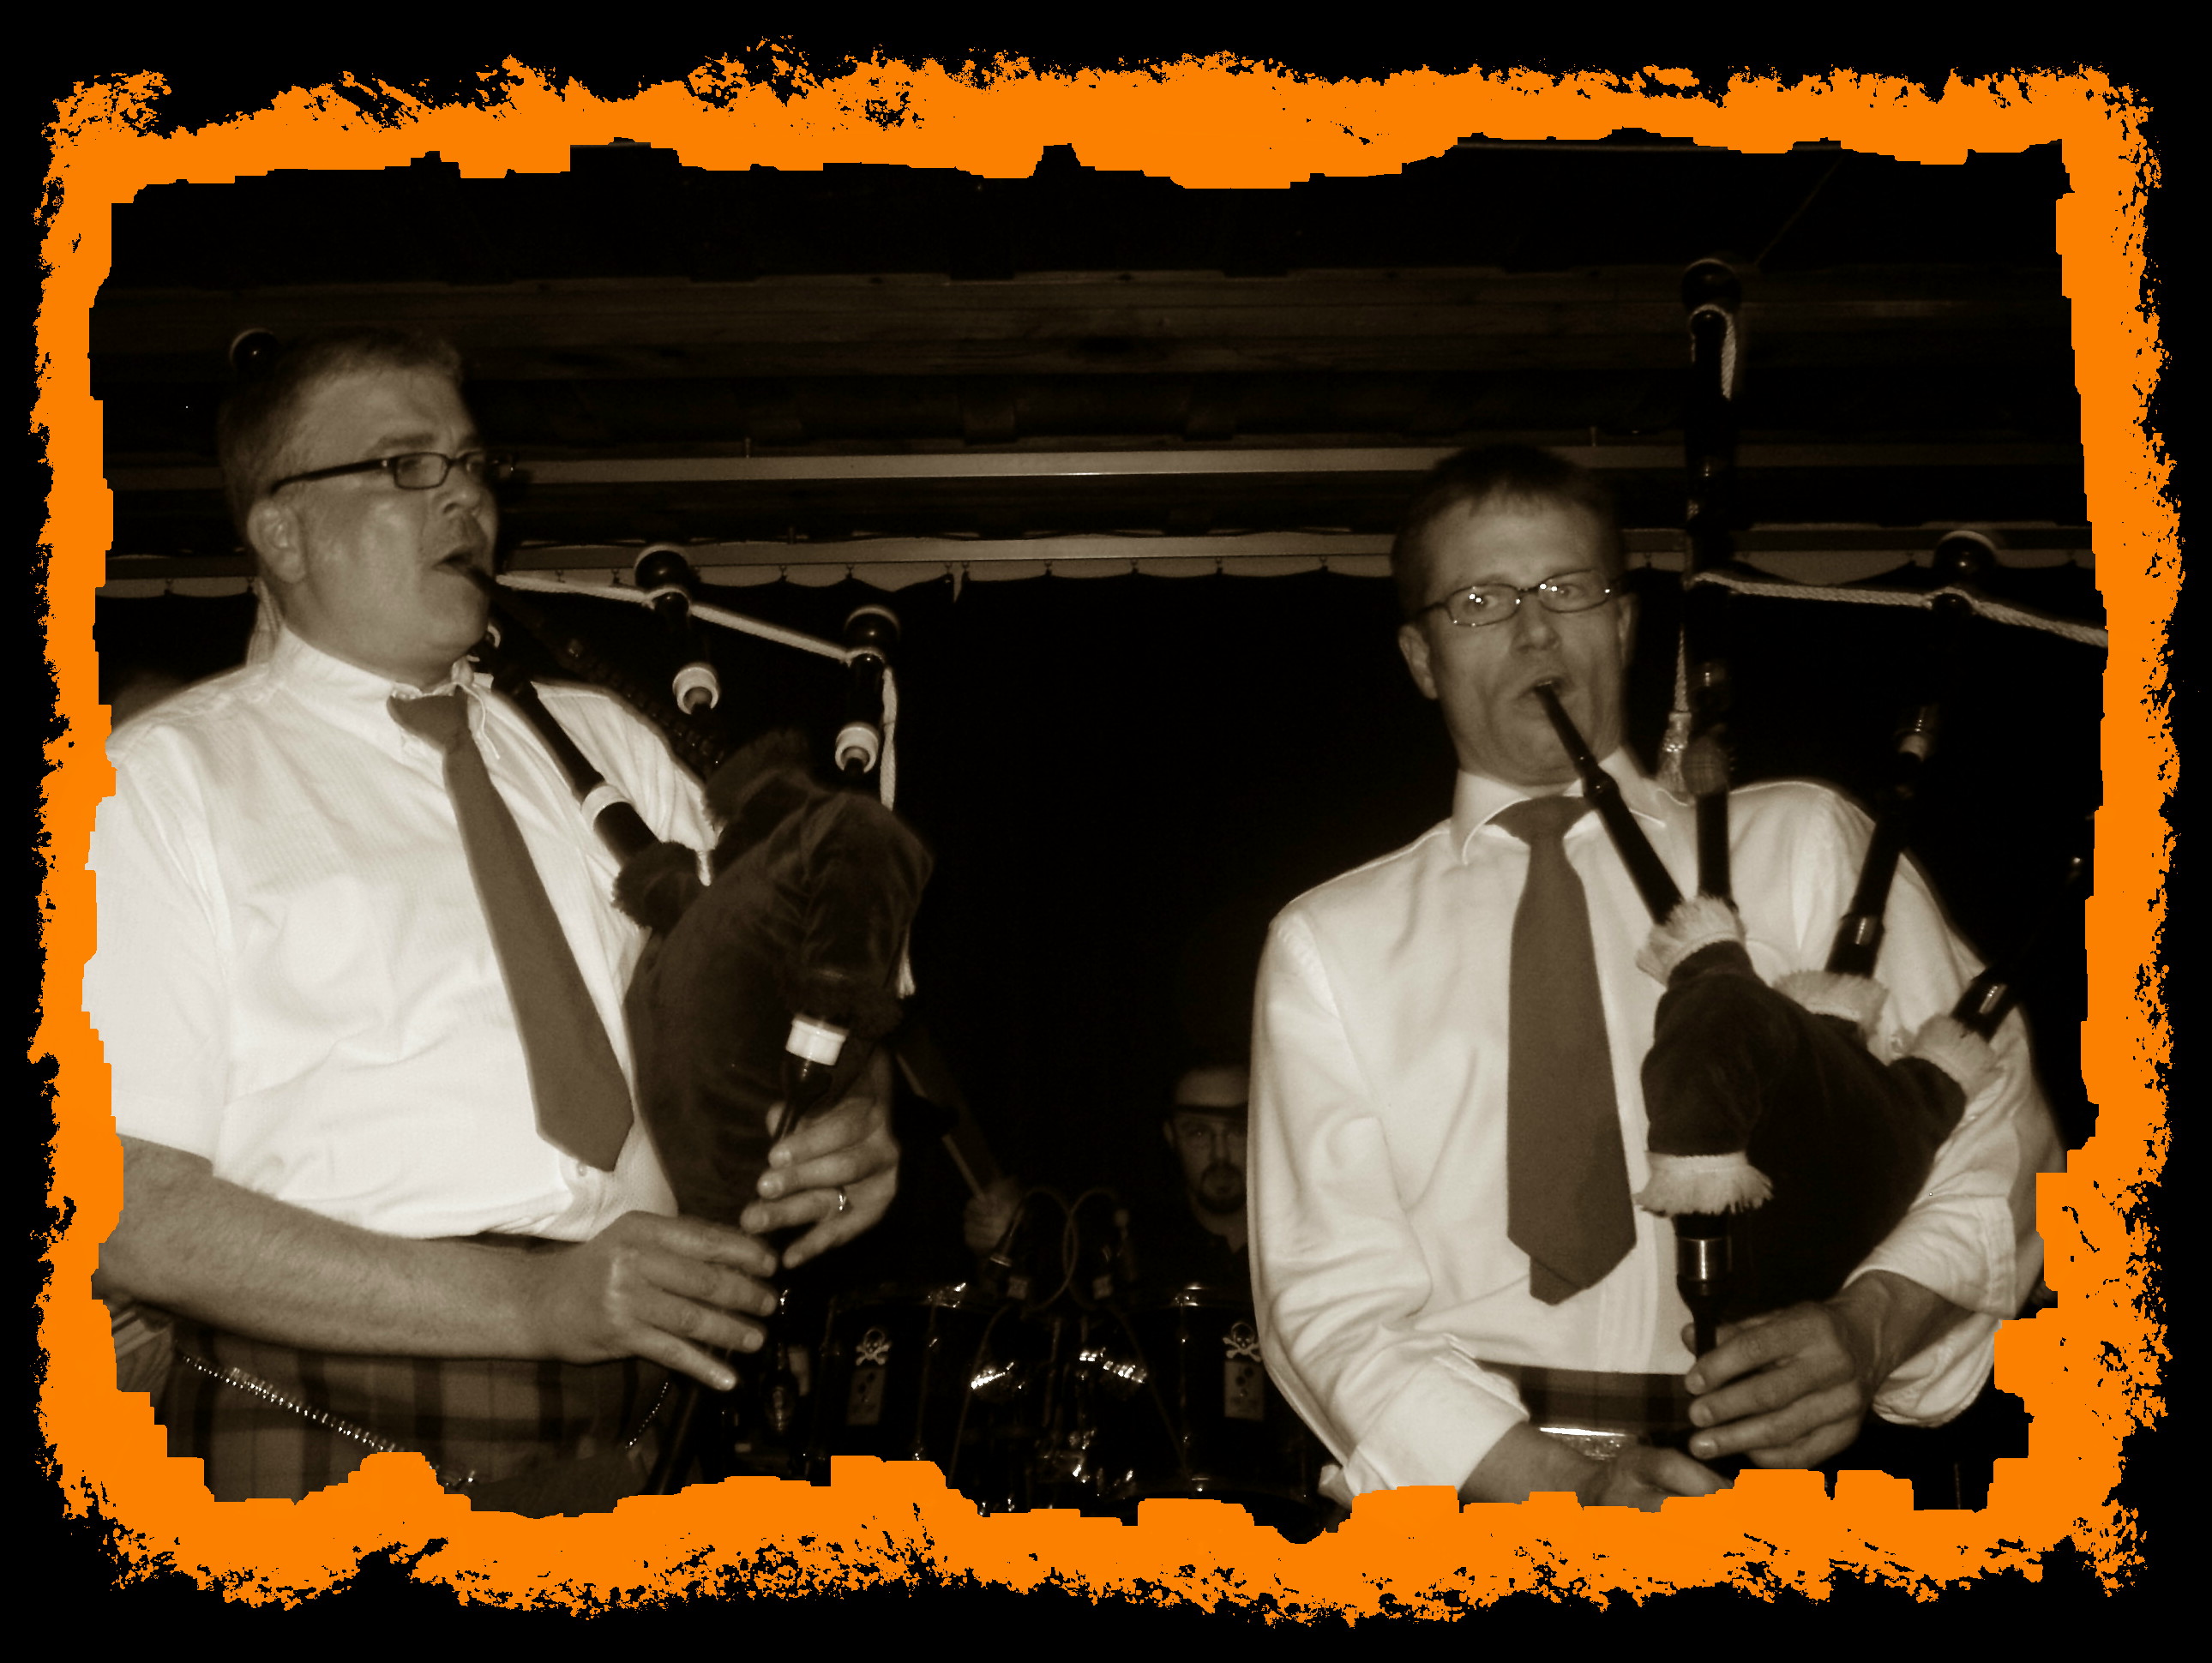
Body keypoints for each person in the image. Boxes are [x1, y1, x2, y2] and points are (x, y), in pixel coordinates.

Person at [85, 328, 900, 1509]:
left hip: (636, 1416)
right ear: (282, 531)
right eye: (404, 464)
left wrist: (850, 1117)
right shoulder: (161, 784)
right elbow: (128, 1212)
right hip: (322, 1427)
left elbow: (790, 999)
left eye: (472, 463)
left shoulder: (607, 746)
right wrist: (533, 1304)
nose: (463, 494)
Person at [1247, 445, 2061, 1514]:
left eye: (1569, 589)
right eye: (1480, 601)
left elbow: (2002, 1134)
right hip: (1472, 1517)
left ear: (1625, 623)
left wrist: (1870, 1328)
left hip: (1773, 1492)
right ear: (1421, 656)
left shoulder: (1801, 848)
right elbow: (1328, 1301)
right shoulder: (1330, 942)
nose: (1535, 631)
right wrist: (1563, 1488)